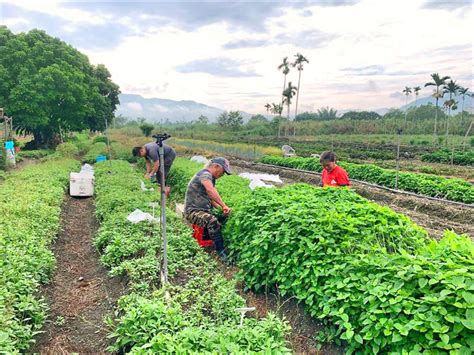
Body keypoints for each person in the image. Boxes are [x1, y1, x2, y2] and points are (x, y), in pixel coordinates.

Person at [184, 157, 232, 261]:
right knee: (212, 221)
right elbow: (210, 191)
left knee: (222, 217)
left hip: (203, 211)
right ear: (216, 166)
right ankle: (221, 251)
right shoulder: (205, 174)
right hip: (193, 212)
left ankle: (215, 241)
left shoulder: (211, 178)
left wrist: (222, 209)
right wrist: (224, 205)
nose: (222, 175)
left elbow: (211, 198)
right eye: (223, 172)